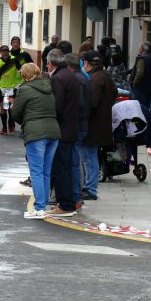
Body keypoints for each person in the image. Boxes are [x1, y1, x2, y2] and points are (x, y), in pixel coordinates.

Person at [10, 63, 60, 219]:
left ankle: (38, 208)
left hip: (35, 133)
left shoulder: (24, 89)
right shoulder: (49, 87)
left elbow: (15, 113)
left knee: (36, 171)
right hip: (53, 131)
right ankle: (43, 205)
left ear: (25, 75)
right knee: (46, 171)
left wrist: (24, 118)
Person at [46, 49, 79, 216]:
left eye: (47, 63)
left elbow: (57, 106)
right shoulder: (68, 75)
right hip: (70, 127)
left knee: (61, 168)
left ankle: (65, 205)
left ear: (51, 63)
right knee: (65, 166)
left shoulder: (59, 78)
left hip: (62, 129)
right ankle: (66, 202)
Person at [81, 51, 116, 201]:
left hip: (93, 125)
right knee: (91, 156)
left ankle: (91, 188)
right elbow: (114, 93)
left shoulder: (95, 79)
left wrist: (82, 117)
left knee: (89, 157)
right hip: (102, 123)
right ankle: (89, 186)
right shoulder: (105, 75)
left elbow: (91, 103)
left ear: (87, 64)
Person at [65, 53, 91, 211]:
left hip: (77, 125)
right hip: (82, 124)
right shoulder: (84, 78)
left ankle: (76, 197)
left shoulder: (76, 80)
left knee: (74, 163)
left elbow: (78, 105)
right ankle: (76, 195)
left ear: (68, 66)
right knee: (77, 161)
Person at [0, 45, 22, 134]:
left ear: (8, 52)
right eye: (3, 51)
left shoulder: (14, 60)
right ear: (0, 52)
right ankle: (4, 128)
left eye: (6, 51)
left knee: (11, 108)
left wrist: (23, 73)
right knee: (4, 108)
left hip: (12, 88)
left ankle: (11, 120)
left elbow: (20, 69)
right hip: (1, 88)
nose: (5, 52)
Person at [129, 41, 151, 112]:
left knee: (140, 107)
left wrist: (134, 84)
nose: (139, 49)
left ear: (143, 49)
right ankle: (149, 120)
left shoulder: (142, 58)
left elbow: (139, 73)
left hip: (141, 87)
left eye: (140, 48)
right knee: (148, 105)